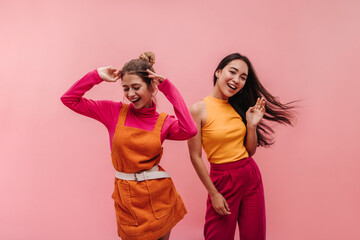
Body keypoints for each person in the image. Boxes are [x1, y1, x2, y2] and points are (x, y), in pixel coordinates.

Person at [61, 52, 197, 240]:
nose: (130, 94)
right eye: (125, 88)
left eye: (136, 87)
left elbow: (190, 130)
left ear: (152, 86)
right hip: (128, 199)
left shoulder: (164, 122)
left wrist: (168, 88)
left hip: (160, 198)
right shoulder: (113, 112)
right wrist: (97, 75)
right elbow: (69, 99)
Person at [187, 53, 296, 240]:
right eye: (233, 72)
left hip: (250, 175)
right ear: (219, 72)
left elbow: (249, 152)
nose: (236, 80)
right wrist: (214, 193)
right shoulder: (199, 109)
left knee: (254, 236)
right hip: (222, 180)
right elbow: (195, 156)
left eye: (243, 77)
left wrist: (252, 126)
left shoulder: (237, 107)